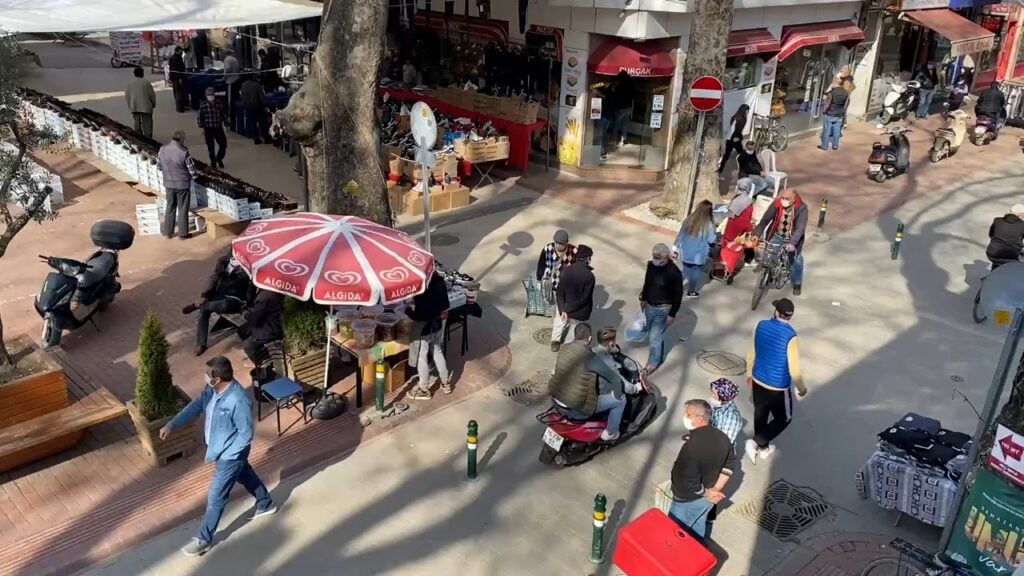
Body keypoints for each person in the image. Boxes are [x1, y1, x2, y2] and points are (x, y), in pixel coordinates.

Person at [159, 356, 276, 557]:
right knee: (244, 474)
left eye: (208, 375)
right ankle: (265, 503)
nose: (205, 377)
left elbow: (246, 433)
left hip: (230, 456)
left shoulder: (238, 400)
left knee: (216, 497)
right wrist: (172, 425)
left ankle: (203, 539)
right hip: (225, 453)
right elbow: (195, 407)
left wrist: (228, 455)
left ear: (218, 379)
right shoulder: (212, 391)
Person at [744, 298, 807, 463]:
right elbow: (794, 369)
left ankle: (763, 449)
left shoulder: (761, 325)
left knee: (761, 412)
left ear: (776, 312)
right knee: (784, 418)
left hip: (758, 378)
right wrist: (801, 388)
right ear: (789, 316)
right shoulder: (791, 336)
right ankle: (755, 442)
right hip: (778, 385)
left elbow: (752, 351)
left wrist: (749, 373)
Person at [669, 399, 736, 538]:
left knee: (674, 535)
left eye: (688, 414)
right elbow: (729, 464)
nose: (684, 417)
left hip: (687, 499)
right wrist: (716, 489)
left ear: (699, 419)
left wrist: (707, 493)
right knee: (697, 530)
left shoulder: (692, 446)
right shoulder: (722, 437)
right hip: (708, 499)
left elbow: (686, 479)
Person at [549, 323, 627, 442]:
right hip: (575, 409)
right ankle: (611, 433)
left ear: (575, 335)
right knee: (620, 401)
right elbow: (614, 379)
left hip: (556, 400)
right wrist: (618, 394)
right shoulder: (589, 357)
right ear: (590, 339)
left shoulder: (564, 348)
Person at [182, 251, 251, 356]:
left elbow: (251, 289)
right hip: (219, 295)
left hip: (236, 300)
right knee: (203, 311)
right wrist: (205, 295)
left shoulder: (248, 266)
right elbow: (213, 278)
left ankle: (198, 305)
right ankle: (201, 344)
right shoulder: (223, 261)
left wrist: (249, 304)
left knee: (221, 305)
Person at [406, 270, 453, 400]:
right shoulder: (439, 281)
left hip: (424, 328)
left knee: (422, 357)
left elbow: (420, 315)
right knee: (437, 351)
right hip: (437, 324)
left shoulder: (422, 287)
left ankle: (424, 388)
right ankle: (446, 383)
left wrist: (408, 311)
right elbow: (446, 304)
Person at [754, 188, 808, 296]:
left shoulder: (802, 208)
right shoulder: (777, 203)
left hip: (792, 239)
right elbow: (765, 219)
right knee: (769, 254)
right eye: (782, 197)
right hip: (776, 235)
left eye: (787, 199)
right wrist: (756, 234)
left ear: (794, 199)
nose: (783, 200)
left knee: (796, 260)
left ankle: (797, 283)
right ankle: (767, 274)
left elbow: (800, 228)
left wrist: (792, 243)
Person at [639, 243, 682, 374]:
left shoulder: (674, 272)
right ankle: (658, 354)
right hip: (649, 306)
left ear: (666, 257)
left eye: (658, 257)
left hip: (663, 309)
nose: (655, 259)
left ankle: (652, 363)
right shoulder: (651, 265)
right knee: (654, 334)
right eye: (654, 256)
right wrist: (643, 297)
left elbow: (678, 295)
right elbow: (648, 282)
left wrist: (672, 314)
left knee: (654, 337)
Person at [537, 229, 578, 352]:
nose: (559, 245)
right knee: (552, 308)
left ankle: (555, 339)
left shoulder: (573, 251)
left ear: (566, 243)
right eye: (557, 242)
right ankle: (556, 320)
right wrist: (540, 280)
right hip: (549, 285)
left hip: (564, 289)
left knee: (561, 314)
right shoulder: (547, 249)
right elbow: (541, 265)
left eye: (562, 243)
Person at [157, 131, 197, 239]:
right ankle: (183, 234)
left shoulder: (162, 149)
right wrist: (195, 177)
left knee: (170, 207)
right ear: (182, 140)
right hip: (182, 185)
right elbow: (192, 170)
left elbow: (159, 167)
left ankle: (168, 233)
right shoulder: (183, 152)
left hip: (168, 184)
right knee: (183, 209)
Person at [555, 244, 596, 347]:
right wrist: (568, 309)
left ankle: (558, 345)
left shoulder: (566, 270)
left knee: (563, 330)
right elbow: (585, 298)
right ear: (587, 258)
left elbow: (559, 291)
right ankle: (569, 355)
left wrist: (563, 309)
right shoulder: (589, 276)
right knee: (574, 338)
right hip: (579, 313)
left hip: (565, 308)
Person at [675, 200, 716, 299]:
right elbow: (712, 241)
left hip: (685, 252)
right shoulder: (709, 225)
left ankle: (676, 289)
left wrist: (675, 246)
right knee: (695, 273)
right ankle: (691, 291)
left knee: (685, 270)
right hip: (698, 256)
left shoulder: (688, 219)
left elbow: (681, 234)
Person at [238, 289, 284, 365]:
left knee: (247, 345)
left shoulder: (265, 297)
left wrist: (246, 314)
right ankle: (263, 353)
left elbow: (255, 319)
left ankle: (262, 364)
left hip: (272, 329)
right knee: (242, 330)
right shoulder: (269, 292)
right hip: (269, 322)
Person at [197, 86, 228, 168]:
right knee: (211, 148)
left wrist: (226, 124)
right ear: (206, 95)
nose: (210, 96)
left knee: (223, 144)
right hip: (208, 129)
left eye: (212, 94)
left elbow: (224, 115)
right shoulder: (203, 105)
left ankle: (219, 158)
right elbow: (200, 117)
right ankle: (213, 163)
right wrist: (202, 127)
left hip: (218, 127)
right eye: (209, 94)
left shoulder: (219, 104)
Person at [709, 378, 742, 448]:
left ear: (723, 397)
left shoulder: (732, 419)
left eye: (714, 394)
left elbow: (723, 443)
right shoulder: (717, 404)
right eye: (711, 391)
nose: (711, 396)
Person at [819, 74, 848, 151]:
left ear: (835, 83)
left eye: (832, 82)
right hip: (839, 115)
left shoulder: (832, 93)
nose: (832, 84)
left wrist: (824, 111)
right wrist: (842, 112)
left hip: (830, 114)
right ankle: (835, 145)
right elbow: (845, 105)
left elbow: (827, 104)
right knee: (837, 130)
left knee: (826, 130)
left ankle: (824, 146)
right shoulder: (845, 93)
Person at [125, 66, 156, 138]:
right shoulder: (146, 83)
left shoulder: (130, 84)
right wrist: (153, 104)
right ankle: (148, 139)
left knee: (137, 123)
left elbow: (127, 96)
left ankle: (139, 138)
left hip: (135, 106)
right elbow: (152, 95)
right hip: (146, 106)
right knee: (147, 124)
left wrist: (130, 106)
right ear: (142, 74)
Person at [718, 104, 749, 174]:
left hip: (730, 138)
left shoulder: (735, 116)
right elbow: (737, 130)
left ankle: (720, 170)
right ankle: (745, 170)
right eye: (747, 111)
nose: (747, 112)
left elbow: (733, 128)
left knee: (728, 155)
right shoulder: (741, 118)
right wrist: (738, 137)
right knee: (740, 154)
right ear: (744, 110)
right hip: (734, 138)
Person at [239, 76, 268, 144]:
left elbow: (242, 96)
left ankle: (255, 139)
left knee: (252, 123)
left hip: (248, 106)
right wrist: (266, 104)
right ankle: (266, 138)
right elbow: (261, 97)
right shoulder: (257, 85)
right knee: (263, 123)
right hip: (257, 106)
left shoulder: (243, 84)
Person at [611, 71, 634, 147]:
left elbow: (616, 97)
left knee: (616, 124)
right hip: (628, 107)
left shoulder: (619, 86)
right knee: (625, 124)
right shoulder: (630, 85)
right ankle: (622, 140)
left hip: (621, 107)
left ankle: (614, 140)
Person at [222, 49, 242, 130]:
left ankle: (231, 120)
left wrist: (224, 77)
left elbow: (228, 69)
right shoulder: (235, 59)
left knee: (230, 101)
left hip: (231, 81)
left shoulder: (227, 59)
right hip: (237, 80)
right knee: (236, 99)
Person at [168, 46, 188, 113]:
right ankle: (180, 108)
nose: (182, 52)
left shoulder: (175, 58)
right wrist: (179, 78)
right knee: (179, 93)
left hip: (175, 77)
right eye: (181, 51)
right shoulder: (176, 59)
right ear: (178, 50)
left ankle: (181, 106)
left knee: (177, 92)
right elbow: (176, 69)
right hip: (177, 78)